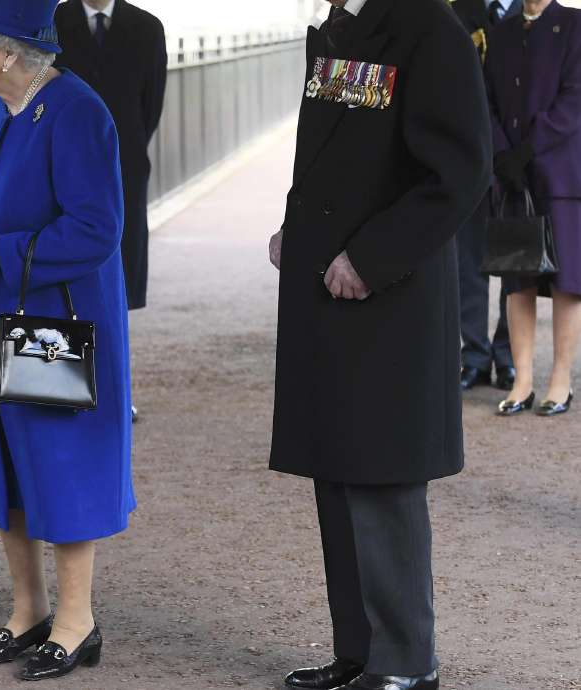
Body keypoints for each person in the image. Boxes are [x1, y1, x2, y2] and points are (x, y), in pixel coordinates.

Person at [267, 0, 490, 688]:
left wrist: (371, 257)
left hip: (387, 294)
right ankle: (360, 651)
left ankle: (406, 662)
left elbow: (458, 173)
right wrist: (297, 224)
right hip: (326, 284)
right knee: (337, 469)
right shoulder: (341, 25)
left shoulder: (428, 29)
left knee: (382, 477)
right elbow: (336, 155)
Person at [0, 0, 134, 680]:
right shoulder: (0, 106)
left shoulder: (77, 112)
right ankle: (28, 612)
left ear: (9, 50)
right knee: (5, 461)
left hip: (57, 321)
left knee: (60, 461)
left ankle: (77, 623)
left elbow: (95, 229)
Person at [486, 0, 581, 417]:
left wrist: (528, 148)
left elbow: (575, 100)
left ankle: (560, 380)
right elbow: (486, 100)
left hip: (560, 174)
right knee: (517, 277)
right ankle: (521, 382)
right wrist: (502, 154)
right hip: (513, 177)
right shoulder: (501, 32)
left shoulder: (575, 25)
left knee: (566, 280)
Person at [53, 0, 167, 312]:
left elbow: (151, 104)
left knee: (124, 247)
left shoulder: (147, 27)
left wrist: (127, 140)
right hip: (63, 153)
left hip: (125, 154)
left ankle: (121, 312)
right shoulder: (54, 20)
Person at [451, 0, 522, 392]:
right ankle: (475, 356)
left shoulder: (537, 11)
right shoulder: (456, 10)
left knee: (517, 261)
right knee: (469, 261)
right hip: (469, 154)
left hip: (518, 159)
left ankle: (508, 355)